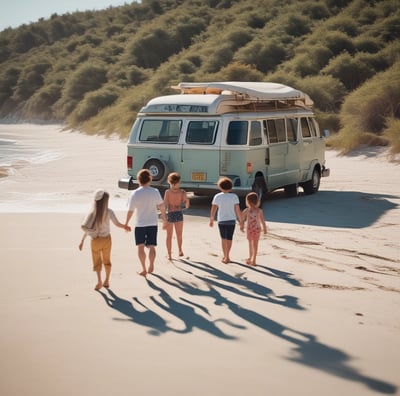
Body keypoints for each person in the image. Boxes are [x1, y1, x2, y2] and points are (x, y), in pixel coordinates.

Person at [79, 189, 130, 290]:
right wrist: (125, 226)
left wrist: (82, 241)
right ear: (106, 201)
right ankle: (106, 280)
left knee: (97, 261)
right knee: (107, 261)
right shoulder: (109, 211)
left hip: (95, 241)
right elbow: (117, 224)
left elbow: (87, 229)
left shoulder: (92, 212)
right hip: (106, 240)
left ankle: (99, 281)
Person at [125, 169, 167, 276]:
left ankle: (143, 268)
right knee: (152, 246)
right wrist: (165, 220)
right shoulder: (155, 192)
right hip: (153, 223)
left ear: (138, 180)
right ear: (150, 179)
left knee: (140, 247)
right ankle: (151, 264)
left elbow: (130, 210)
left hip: (140, 224)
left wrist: (126, 223)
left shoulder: (135, 193)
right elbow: (161, 206)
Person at [209, 177, 242, 264]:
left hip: (222, 221)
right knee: (229, 238)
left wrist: (211, 219)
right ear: (231, 187)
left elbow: (213, 209)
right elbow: (237, 210)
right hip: (232, 221)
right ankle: (227, 255)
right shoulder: (234, 196)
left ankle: (225, 256)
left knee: (223, 239)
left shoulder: (217, 197)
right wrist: (241, 221)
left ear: (220, 187)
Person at [164, 172, 190, 260]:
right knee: (179, 234)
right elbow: (187, 205)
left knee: (169, 236)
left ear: (169, 182)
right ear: (179, 182)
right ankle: (180, 250)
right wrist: (187, 201)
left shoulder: (167, 192)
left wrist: (163, 215)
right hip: (179, 213)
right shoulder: (182, 192)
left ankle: (169, 254)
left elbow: (164, 204)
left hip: (170, 213)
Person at [240, 192, 267, 266]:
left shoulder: (246, 210)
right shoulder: (259, 211)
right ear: (257, 201)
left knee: (250, 244)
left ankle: (250, 257)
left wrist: (241, 226)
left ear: (247, 201)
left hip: (249, 229)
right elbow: (262, 221)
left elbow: (241, 219)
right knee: (255, 244)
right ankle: (253, 259)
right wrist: (265, 229)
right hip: (257, 229)